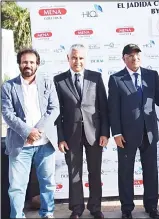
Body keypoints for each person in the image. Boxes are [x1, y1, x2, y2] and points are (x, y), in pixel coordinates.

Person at [108, 44, 159, 219]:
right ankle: (126, 209)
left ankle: (152, 206)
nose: (135, 58)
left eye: (137, 54)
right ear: (124, 58)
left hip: (149, 132)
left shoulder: (151, 75)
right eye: (130, 55)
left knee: (151, 171)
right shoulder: (116, 79)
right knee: (125, 172)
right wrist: (116, 133)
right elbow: (113, 108)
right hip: (125, 134)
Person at [1, 48, 59, 218]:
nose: (28, 65)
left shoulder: (47, 83)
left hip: (45, 143)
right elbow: (7, 114)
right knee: (17, 186)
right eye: (25, 62)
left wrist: (38, 130)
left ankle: (47, 213)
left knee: (48, 183)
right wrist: (28, 132)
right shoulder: (8, 87)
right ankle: (17, 216)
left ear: (37, 64)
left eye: (32, 62)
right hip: (20, 145)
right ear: (19, 63)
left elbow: (54, 108)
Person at [53, 44, 109, 219]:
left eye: (81, 58)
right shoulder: (59, 80)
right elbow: (57, 113)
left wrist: (104, 133)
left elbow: (104, 108)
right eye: (74, 57)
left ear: (86, 59)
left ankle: (95, 207)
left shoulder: (96, 77)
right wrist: (61, 138)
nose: (78, 61)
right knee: (74, 173)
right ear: (68, 58)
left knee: (95, 172)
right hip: (71, 135)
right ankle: (76, 209)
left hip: (94, 133)